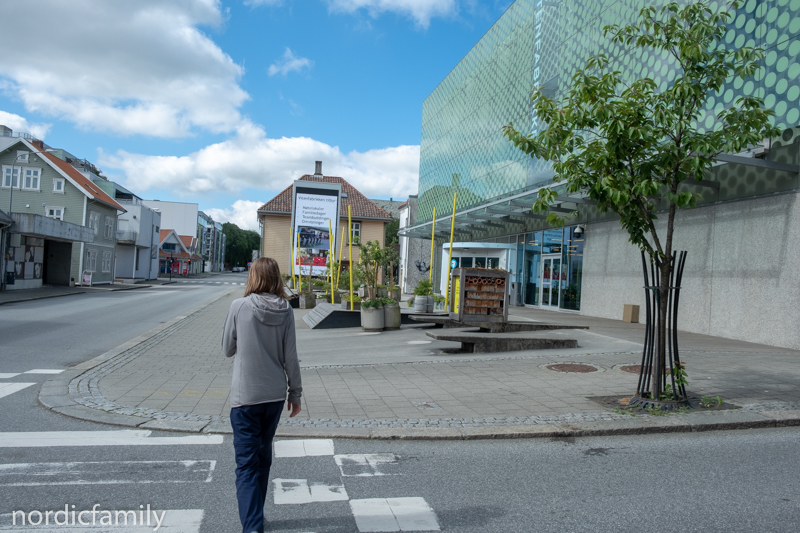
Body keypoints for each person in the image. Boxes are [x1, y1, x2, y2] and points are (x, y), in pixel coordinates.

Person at [222, 257, 302, 533]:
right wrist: (296, 393)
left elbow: (227, 348)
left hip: (245, 396)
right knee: (263, 457)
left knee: (246, 465)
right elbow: (291, 356)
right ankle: (255, 516)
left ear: (253, 277)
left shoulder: (238, 307)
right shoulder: (286, 310)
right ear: (276, 278)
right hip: (274, 397)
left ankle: (253, 526)